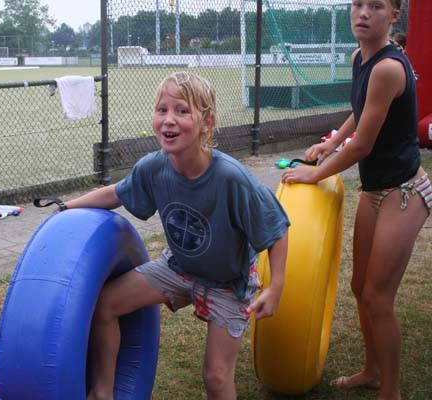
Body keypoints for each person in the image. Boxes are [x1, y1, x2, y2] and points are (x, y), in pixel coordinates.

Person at [59, 71, 289, 400]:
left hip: (228, 284)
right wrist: (67, 206)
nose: (169, 120)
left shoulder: (231, 178)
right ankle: (102, 393)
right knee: (105, 304)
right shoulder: (154, 167)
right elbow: (117, 193)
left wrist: (277, 286)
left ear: (206, 121)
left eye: (182, 111)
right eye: (162, 110)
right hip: (178, 269)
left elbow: (276, 229)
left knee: (216, 377)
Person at [281, 0, 431, 398]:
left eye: (376, 6)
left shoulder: (387, 67)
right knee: (359, 286)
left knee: (378, 298)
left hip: (404, 193)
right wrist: (330, 141)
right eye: (358, 4)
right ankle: (371, 371)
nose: (363, 13)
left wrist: (316, 171)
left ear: (394, 15)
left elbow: (362, 145)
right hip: (375, 191)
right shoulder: (359, 58)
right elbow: (359, 112)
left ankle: (391, 392)